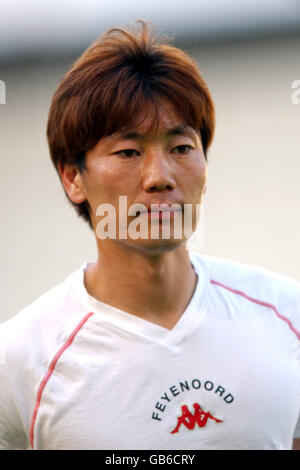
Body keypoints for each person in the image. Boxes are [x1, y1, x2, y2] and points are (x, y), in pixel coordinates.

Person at [0, 19, 299, 451]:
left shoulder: (285, 315)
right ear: (72, 177)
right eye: (128, 152)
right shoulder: (20, 361)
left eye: (181, 148)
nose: (160, 177)